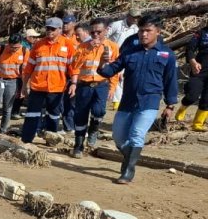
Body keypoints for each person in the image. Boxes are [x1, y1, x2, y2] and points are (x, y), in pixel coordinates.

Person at [97, 16, 178, 184]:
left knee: (136, 134)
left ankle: (128, 172)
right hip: (127, 101)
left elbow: (170, 80)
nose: (144, 34)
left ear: (158, 32)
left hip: (149, 101)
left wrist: (170, 105)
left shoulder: (166, 55)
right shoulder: (130, 51)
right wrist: (102, 64)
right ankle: (130, 157)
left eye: (148, 31)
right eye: (141, 31)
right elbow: (109, 71)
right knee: (118, 137)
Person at [69, 18, 121, 158]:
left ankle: (94, 129)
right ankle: (78, 145)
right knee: (80, 115)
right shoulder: (83, 46)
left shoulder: (112, 47)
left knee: (99, 111)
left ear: (106, 31)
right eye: (93, 32)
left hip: (101, 85)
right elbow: (75, 66)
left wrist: (112, 87)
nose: (96, 35)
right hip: (84, 85)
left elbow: (115, 69)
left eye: (99, 32)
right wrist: (88, 49)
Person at [21, 17, 74, 143]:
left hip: (57, 87)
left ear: (60, 30)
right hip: (38, 86)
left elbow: (73, 67)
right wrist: (24, 85)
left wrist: (74, 83)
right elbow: (29, 67)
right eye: (48, 28)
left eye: (53, 29)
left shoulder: (67, 45)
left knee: (54, 115)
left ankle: (51, 140)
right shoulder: (39, 45)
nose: (49, 31)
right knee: (32, 114)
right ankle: (26, 140)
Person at [0, 34, 28, 132]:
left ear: (20, 44)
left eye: (16, 47)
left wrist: (24, 87)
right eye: (11, 47)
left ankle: (3, 129)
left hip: (13, 81)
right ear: (8, 44)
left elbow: (25, 71)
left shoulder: (25, 52)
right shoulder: (0, 49)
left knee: (8, 106)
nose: (13, 49)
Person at [108, 9, 142, 109]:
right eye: (134, 16)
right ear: (128, 15)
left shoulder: (137, 28)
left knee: (123, 77)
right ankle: (116, 102)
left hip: (129, 54)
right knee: (117, 76)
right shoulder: (116, 25)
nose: (135, 19)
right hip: (114, 54)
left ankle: (120, 100)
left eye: (137, 17)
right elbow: (105, 36)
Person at [179, 22, 208, 130]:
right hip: (199, 70)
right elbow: (190, 49)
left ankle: (198, 124)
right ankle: (182, 109)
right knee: (192, 95)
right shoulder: (201, 33)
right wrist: (193, 62)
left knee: (207, 99)